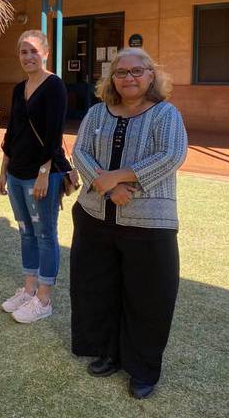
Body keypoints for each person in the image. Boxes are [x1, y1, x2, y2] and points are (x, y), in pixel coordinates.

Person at [70, 47, 187, 400]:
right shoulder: (96, 113)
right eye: (121, 73)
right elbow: (80, 152)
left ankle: (142, 368)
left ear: (151, 75)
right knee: (99, 290)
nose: (129, 78)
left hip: (149, 223)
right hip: (94, 217)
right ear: (111, 79)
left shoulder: (166, 114)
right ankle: (108, 353)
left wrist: (119, 180)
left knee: (149, 297)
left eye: (138, 71)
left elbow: (171, 154)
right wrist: (106, 187)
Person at [0, 29, 72, 324]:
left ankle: (44, 298)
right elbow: (13, 133)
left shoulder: (54, 86)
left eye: (33, 51)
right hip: (16, 173)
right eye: (23, 51)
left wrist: (44, 173)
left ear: (46, 53)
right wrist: (3, 171)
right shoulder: (19, 88)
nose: (28, 57)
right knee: (25, 231)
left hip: (42, 174)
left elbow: (54, 135)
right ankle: (28, 289)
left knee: (45, 234)